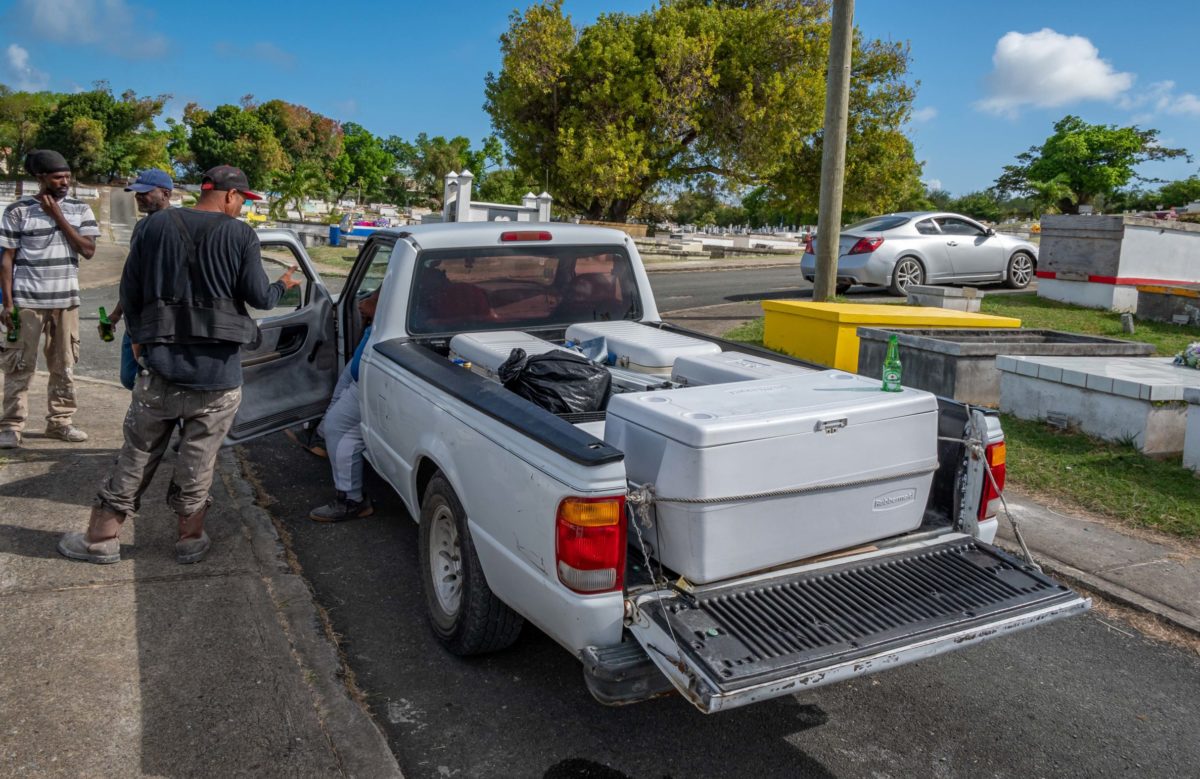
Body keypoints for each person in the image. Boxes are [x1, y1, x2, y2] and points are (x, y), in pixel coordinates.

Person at [57, 165, 301, 565]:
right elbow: (261, 298)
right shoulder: (240, 235)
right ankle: (190, 539)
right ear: (228, 195)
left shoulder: (153, 228)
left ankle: (101, 539)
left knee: (137, 453)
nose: (242, 209)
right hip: (218, 377)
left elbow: (130, 292)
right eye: (242, 200)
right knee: (199, 458)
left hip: (160, 369)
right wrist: (284, 285)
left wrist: (138, 344)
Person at [0, 149, 101, 449]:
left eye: (68, 176)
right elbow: (6, 260)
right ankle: (11, 425)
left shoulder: (80, 209)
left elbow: (88, 249)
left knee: (64, 364)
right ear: (40, 177)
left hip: (66, 302)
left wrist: (57, 215)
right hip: (26, 302)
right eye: (58, 177)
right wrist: (7, 305)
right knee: (18, 365)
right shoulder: (17, 211)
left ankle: (60, 422)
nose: (65, 181)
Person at [308, 288, 380, 522]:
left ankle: (351, 501)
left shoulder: (409, 265)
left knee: (338, 427)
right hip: (362, 367)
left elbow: (369, 306)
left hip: (371, 376)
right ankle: (320, 438)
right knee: (340, 394)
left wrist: (367, 304)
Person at [107, 169, 174, 390]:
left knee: (153, 376)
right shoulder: (141, 226)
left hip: (163, 319)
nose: (138, 197)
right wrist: (117, 313)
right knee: (130, 377)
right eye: (136, 193)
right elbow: (133, 276)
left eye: (145, 193)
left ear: (165, 194)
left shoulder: (177, 226)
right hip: (137, 318)